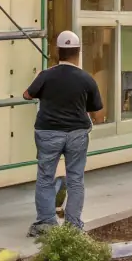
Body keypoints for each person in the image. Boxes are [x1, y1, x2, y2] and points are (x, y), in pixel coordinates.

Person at [24, 30, 104, 236]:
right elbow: (97, 111)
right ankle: (73, 226)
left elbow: (27, 95)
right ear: (78, 52)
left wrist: (43, 81)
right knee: (76, 178)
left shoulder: (46, 75)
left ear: (57, 51)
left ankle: (46, 224)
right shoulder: (86, 79)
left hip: (48, 133)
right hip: (77, 133)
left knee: (45, 177)